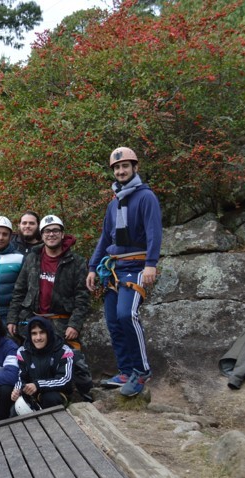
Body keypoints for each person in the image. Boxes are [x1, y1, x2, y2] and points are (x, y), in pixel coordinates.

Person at [87, 147, 162, 397]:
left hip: (137, 265)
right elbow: (105, 237)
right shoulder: (114, 202)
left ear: (135, 168)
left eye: (125, 166)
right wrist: (92, 267)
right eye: (117, 167)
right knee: (112, 321)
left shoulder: (146, 197)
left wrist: (151, 263)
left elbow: (154, 231)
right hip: (115, 268)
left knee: (126, 315)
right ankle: (125, 370)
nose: (120, 170)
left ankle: (141, 371)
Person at [6, 215, 94, 401]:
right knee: (26, 362)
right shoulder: (32, 258)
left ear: (62, 234)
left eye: (55, 231)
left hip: (62, 321)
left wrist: (75, 324)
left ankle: (84, 396)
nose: (51, 234)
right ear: (42, 234)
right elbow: (19, 290)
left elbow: (82, 297)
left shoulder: (76, 261)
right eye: (47, 231)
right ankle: (25, 398)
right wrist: (12, 318)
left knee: (76, 362)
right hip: (32, 320)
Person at [11, 316, 74, 413]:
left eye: (42, 332)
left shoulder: (64, 351)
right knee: (15, 408)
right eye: (34, 333)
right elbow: (20, 377)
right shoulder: (23, 352)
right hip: (32, 394)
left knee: (49, 398)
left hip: (57, 394)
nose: (38, 338)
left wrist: (38, 385)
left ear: (49, 333)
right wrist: (17, 390)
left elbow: (65, 380)